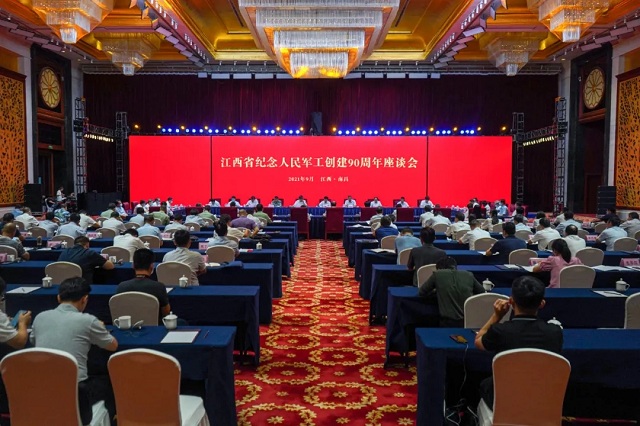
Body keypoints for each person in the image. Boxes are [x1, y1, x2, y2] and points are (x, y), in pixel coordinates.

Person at [30, 277, 118, 425]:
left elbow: (33, 340)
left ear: (59, 298)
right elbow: (112, 346)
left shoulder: (40, 317)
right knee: (107, 381)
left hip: (42, 389)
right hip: (76, 392)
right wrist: (100, 328)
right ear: (84, 299)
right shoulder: (88, 320)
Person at [474, 276, 563, 408]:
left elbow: (478, 341)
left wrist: (497, 316)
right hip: (542, 398)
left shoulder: (500, 331)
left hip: (503, 398)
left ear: (511, 301)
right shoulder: (555, 332)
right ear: (542, 303)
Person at [419, 257, 484, 327]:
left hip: (447, 323)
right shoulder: (468, 274)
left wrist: (436, 290)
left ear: (439, 269)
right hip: (469, 321)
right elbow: (482, 292)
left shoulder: (437, 274)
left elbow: (422, 292)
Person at [116, 248, 171, 320]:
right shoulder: (159, 287)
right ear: (152, 267)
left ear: (133, 265)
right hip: (154, 325)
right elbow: (166, 313)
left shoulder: (121, 287)